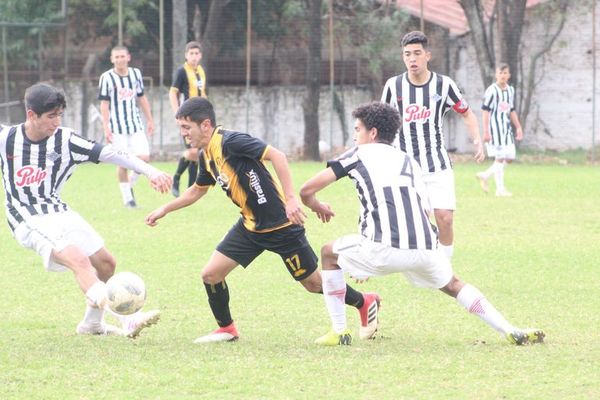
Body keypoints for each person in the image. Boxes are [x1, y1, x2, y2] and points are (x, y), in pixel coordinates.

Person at [299, 101, 544, 346]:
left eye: (357, 130)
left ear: (372, 133)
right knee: (454, 284)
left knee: (328, 254)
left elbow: (307, 190)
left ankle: (339, 332)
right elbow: (424, 209)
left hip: (381, 248)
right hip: (426, 246)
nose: (355, 136)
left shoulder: (358, 154)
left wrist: (315, 205)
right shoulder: (409, 161)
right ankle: (510, 329)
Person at [145, 97, 380, 343]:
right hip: (249, 227)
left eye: (186, 127)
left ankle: (364, 301)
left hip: (282, 227)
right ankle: (227, 328)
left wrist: (291, 200)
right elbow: (197, 190)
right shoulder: (205, 155)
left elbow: (277, 156)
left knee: (312, 284)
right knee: (211, 274)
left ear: (205, 125)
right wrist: (165, 209)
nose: (183, 134)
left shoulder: (231, 141)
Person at [0, 83, 172, 337]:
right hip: (26, 216)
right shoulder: (6, 138)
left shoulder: (65, 139)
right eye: (51, 116)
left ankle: (92, 324)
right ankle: (129, 319)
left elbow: (111, 153)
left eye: (60, 115)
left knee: (105, 263)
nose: (57, 122)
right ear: (31, 115)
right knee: (79, 260)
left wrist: (151, 171)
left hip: (57, 209)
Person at [381, 31, 485, 261]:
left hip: (437, 164)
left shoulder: (444, 84)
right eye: (407, 54)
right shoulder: (393, 86)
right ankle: (426, 253)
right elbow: (380, 120)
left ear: (427, 55)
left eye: (417, 53)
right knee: (417, 218)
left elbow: (466, 114)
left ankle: (444, 267)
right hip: (405, 167)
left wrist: (477, 140)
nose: (412, 59)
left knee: (445, 217)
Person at [98, 45, 155, 208]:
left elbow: (141, 98)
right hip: (117, 128)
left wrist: (150, 119)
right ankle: (128, 200)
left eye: (122, 56)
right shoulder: (107, 77)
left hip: (135, 124)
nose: (120, 60)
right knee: (122, 163)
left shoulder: (136, 74)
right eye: (117, 57)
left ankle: (129, 185)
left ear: (128, 57)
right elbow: (104, 104)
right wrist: (106, 127)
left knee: (144, 158)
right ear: (112, 59)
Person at [476, 63, 524, 196]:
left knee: (510, 157)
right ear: (496, 75)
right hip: (494, 130)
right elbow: (485, 111)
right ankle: (500, 190)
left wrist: (518, 127)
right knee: (500, 157)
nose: (502, 75)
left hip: (506, 129)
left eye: (505, 73)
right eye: (500, 73)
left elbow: (511, 109)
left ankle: (485, 175)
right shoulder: (491, 91)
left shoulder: (510, 90)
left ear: (509, 75)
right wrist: (485, 131)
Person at [169, 41, 207, 198]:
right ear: (186, 55)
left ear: (200, 55)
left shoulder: (201, 70)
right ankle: (176, 178)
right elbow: (173, 93)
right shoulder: (181, 71)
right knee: (192, 152)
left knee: (198, 153)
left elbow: (203, 93)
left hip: (201, 117)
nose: (194, 56)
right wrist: (178, 114)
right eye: (191, 53)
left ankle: (190, 188)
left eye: (196, 53)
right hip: (187, 118)